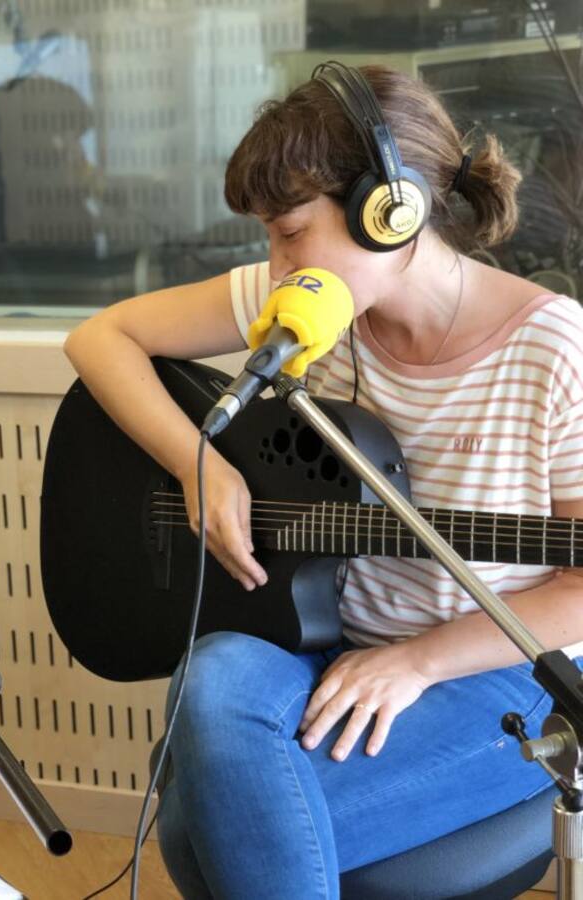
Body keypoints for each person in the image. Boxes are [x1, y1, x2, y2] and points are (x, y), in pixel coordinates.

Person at [64, 63, 583, 897]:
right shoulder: (301, 306)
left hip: (504, 674)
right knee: (213, 672)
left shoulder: (554, 348)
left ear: (390, 212)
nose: (277, 265)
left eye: (291, 233)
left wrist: (417, 662)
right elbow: (99, 339)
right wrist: (201, 469)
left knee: (203, 829)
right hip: (333, 648)